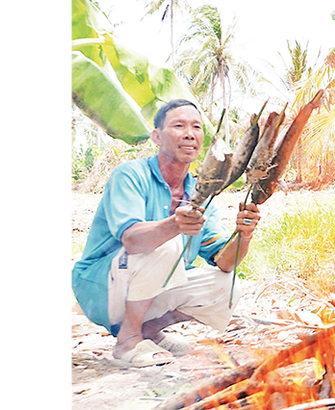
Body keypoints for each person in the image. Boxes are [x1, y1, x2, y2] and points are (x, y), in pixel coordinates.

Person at [72, 99, 261, 367]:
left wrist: (244, 234)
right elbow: (132, 239)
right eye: (178, 125)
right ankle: (128, 339)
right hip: (102, 288)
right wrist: (174, 224)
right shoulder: (130, 175)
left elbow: (225, 261)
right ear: (157, 137)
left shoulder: (201, 192)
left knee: (226, 284)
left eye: (196, 127)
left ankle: (149, 331)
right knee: (167, 244)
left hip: (143, 291)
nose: (189, 133)